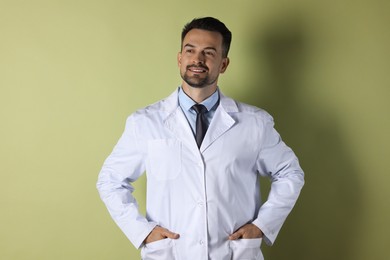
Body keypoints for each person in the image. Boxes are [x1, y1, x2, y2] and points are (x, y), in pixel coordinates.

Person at [97, 17, 304, 260]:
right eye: (190, 50)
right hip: (171, 253)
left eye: (209, 52)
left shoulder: (255, 123)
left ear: (223, 64)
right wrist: (143, 232)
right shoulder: (145, 122)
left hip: (233, 253)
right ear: (180, 58)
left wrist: (262, 226)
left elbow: (290, 173)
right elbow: (110, 181)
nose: (198, 59)